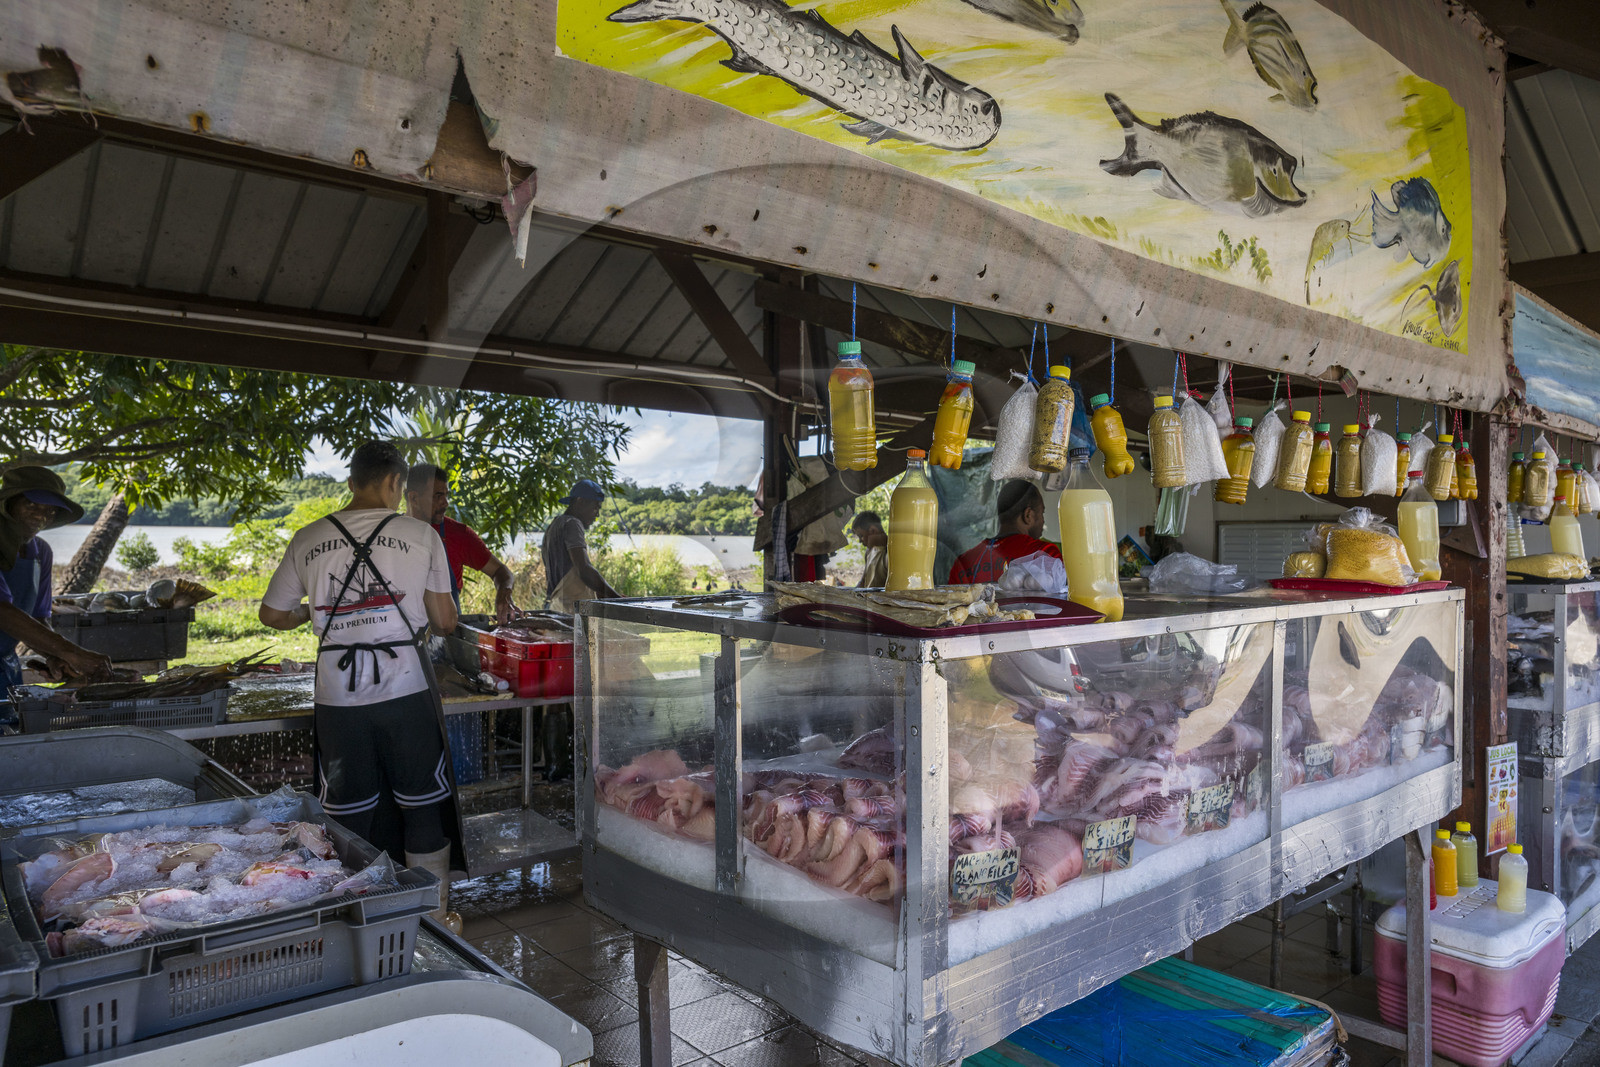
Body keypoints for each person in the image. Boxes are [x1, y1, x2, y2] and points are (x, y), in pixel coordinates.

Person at [259, 441, 463, 932]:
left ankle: (355, 921)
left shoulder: (308, 537)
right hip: (406, 688)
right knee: (422, 803)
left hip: (338, 695)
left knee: (348, 812)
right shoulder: (421, 535)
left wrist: (315, 611)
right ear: (396, 483)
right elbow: (445, 620)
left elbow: (271, 614)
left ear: (351, 482)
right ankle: (432, 917)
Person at [0, 467, 114, 689]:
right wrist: (73, 652)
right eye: (31, 505)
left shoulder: (41, 553)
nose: (40, 515)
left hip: (5, 669)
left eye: (49, 509)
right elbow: (3, 612)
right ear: (8, 505)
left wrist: (54, 656)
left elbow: (37, 617)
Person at [405, 463, 516, 621]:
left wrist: (504, 594)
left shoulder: (459, 534)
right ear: (414, 498)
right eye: (437, 496)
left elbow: (501, 572)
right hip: (402, 635)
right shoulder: (390, 534)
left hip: (449, 635)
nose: (446, 502)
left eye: (446, 495)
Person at [948, 480, 1062, 584]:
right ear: (1028, 515)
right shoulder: (1046, 554)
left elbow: (952, 603)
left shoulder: (963, 562)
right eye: (1042, 513)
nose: (1043, 521)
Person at [542, 479, 621, 611]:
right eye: (595, 507)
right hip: (571, 610)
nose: (597, 514)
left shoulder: (554, 525)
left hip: (554, 607)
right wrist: (617, 599)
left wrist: (602, 594)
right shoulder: (572, 523)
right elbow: (584, 569)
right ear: (581, 501)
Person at [851, 511, 888, 587]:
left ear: (873, 530)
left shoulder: (889, 553)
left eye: (861, 536)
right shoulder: (869, 552)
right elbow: (863, 581)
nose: (860, 541)